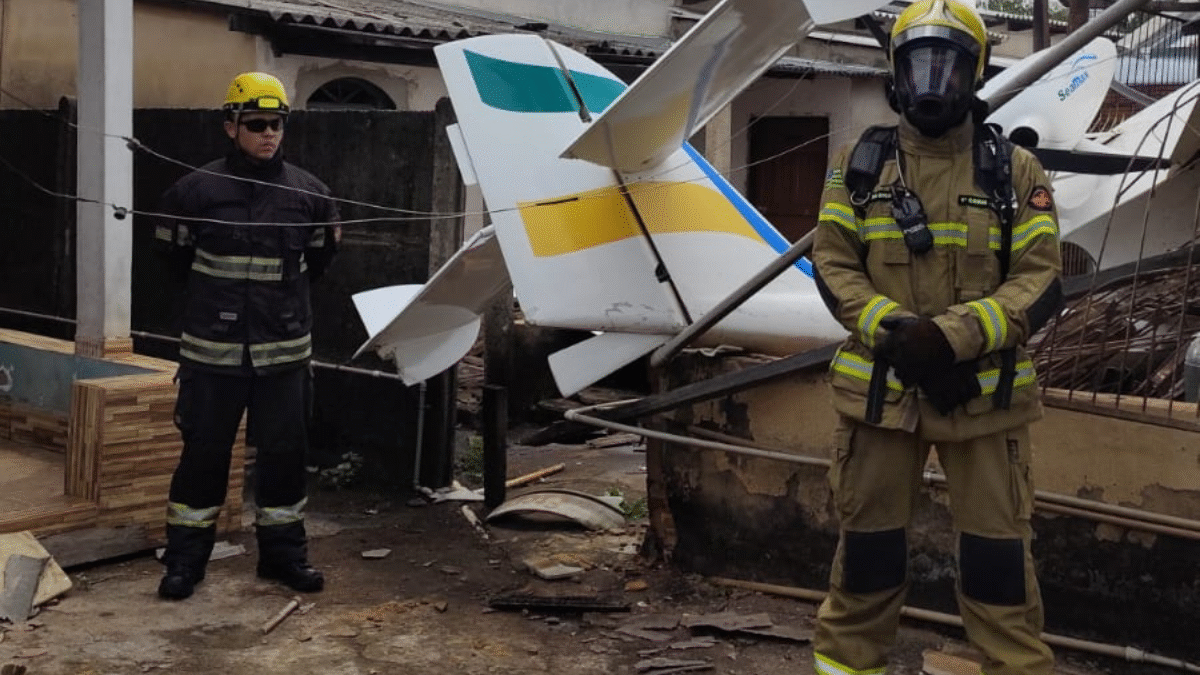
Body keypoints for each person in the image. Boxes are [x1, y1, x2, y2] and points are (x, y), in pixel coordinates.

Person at [810, 1, 1064, 673]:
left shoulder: (1015, 172)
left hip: (984, 404)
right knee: (864, 562)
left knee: (998, 571)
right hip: (879, 400)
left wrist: (949, 341)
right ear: (896, 71)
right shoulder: (857, 166)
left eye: (946, 67)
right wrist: (896, 335)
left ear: (972, 73)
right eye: (917, 65)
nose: (931, 83)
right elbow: (832, 267)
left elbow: (1041, 281)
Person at [154, 72, 340, 600]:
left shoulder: (311, 197)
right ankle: (185, 563)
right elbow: (171, 261)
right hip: (212, 358)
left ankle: (283, 559)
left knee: (283, 462)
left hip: (282, 357)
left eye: (276, 124)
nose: (268, 134)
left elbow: (321, 262)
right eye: (256, 124)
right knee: (202, 459)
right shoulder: (193, 192)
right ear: (230, 126)